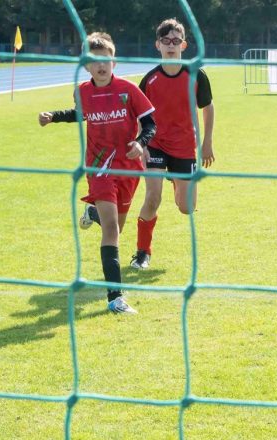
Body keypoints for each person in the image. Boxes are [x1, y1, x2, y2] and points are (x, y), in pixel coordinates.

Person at [38, 32, 155, 314]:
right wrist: (54, 116)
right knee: (112, 230)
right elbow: (81, 113)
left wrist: (140, 144)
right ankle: (115, 298)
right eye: (94, 61)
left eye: (106, 60)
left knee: (117, 226)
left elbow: (150, 125)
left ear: (114, 62)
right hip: (99, 166)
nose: (101, 66)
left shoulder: (129, 90)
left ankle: (92, 214)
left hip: (128, 168)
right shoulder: (83, 91)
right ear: (86, 65)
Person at [132, 18, 215, 271]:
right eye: (166, 41)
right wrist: (141, 145)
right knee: (152, 199)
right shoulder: (149, 80)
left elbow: (208, 108)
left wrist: (207, 143)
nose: (171, 45)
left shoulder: (196, 75)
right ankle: (142, 252)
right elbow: (139, 116)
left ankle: (175, 180)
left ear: (184, 45)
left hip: (184, 148)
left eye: (176, 41)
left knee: (187, 208)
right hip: (155, 145)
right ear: (158, 45)